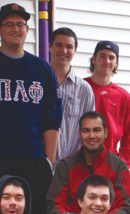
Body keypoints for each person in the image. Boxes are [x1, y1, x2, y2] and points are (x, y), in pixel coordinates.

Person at [0, 3, 62, 214]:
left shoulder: (42, 69)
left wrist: (48, 161)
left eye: (20, 24)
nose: (15, 29)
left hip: (32, 161)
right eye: (9, 24)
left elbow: (52, 119)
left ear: (27, 30)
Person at [44, 111, 130, 214]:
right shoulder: (66, 165)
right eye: (86, 131)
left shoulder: (118, 166)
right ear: (79, 134)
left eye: (97, 130)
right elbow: (54, 203)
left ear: (106, 133)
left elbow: (128, 204)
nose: (91, 135)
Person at [84, 41, 130, 167]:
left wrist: (121, 164)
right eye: (102, 56)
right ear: (94, 59)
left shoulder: (124, 97)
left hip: (109, 163)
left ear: (116, 63)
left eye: (111, 57)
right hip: (80, 161)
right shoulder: (80, 88)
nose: (107, 61)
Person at [49, 27, 94, 162]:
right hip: (41, 166)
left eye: (69, 47)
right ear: (49, 46)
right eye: (59, 45)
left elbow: (89, 131)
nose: (64, 51)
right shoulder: (38, 83)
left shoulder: (84, 89)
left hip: (72, 168)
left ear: (75, 51)